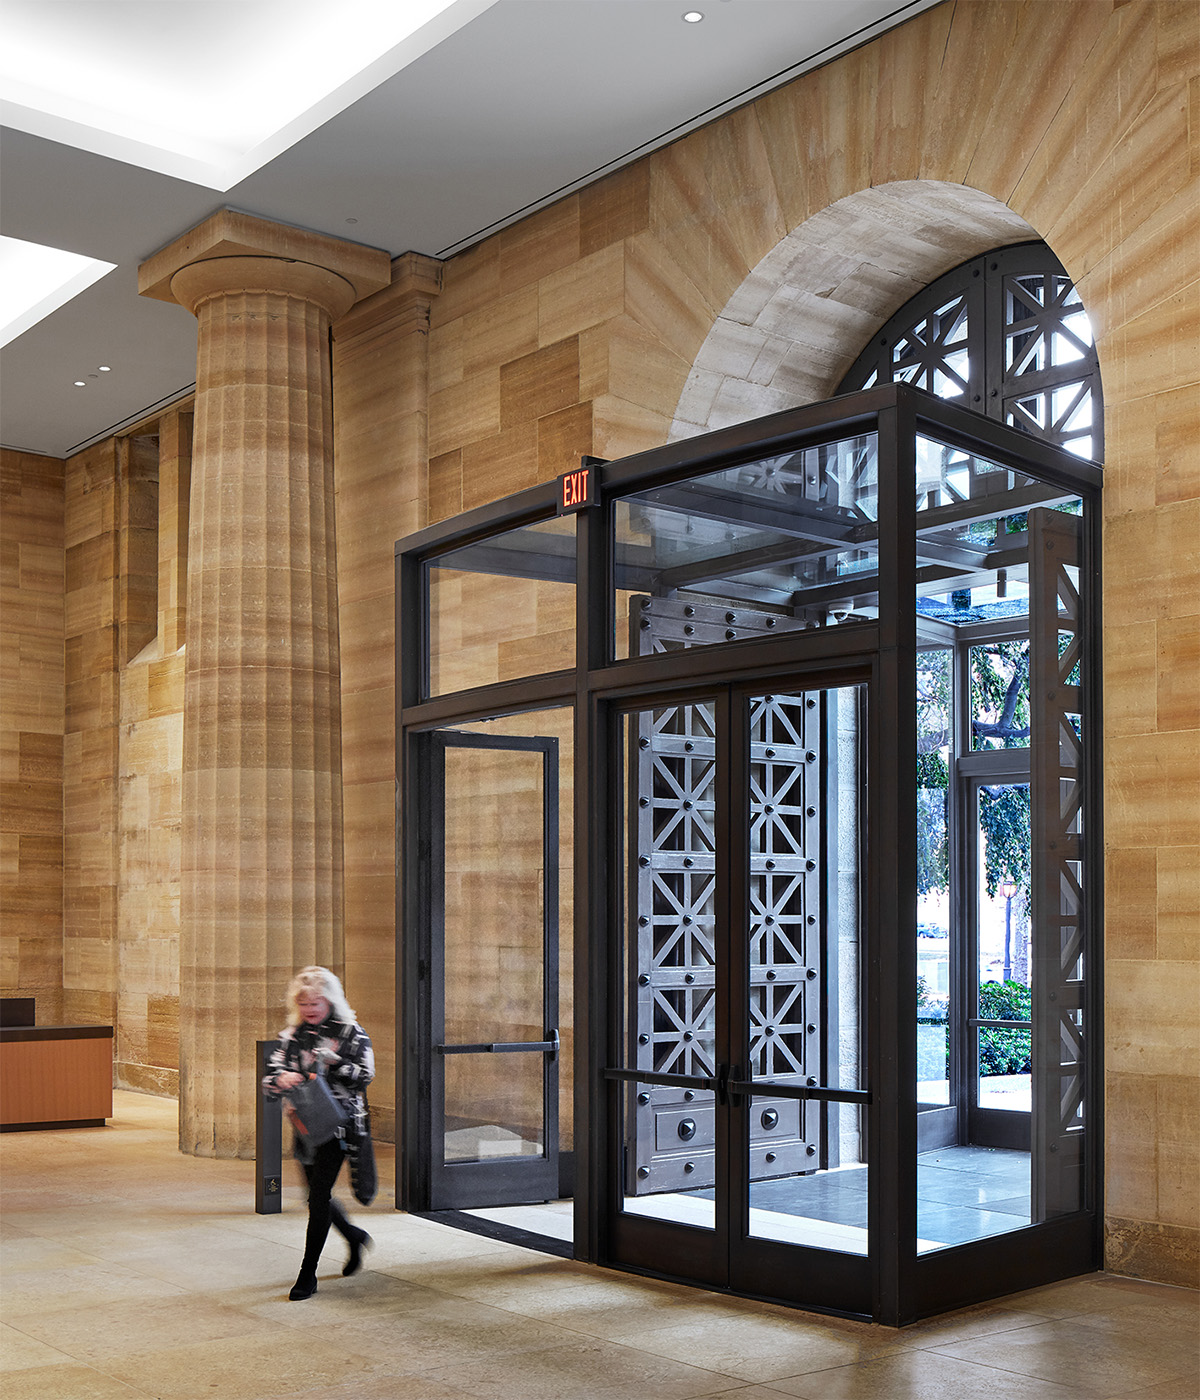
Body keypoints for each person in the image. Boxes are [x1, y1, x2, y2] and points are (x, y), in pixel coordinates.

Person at [263, 966, 374, 1300]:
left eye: (315, 1003)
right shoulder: (293, 1036)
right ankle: (353, 1236)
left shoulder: (351, 1032)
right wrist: (280, 1080)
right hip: (306, 1126)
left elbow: (365, 1076)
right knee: (315, 1196)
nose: (309, 1009)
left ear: (330, 1001)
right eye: (303, 1003)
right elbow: (270, 1080)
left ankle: (306, 1274)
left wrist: (334, 1061)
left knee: (319, 1195)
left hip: (340, 1126)